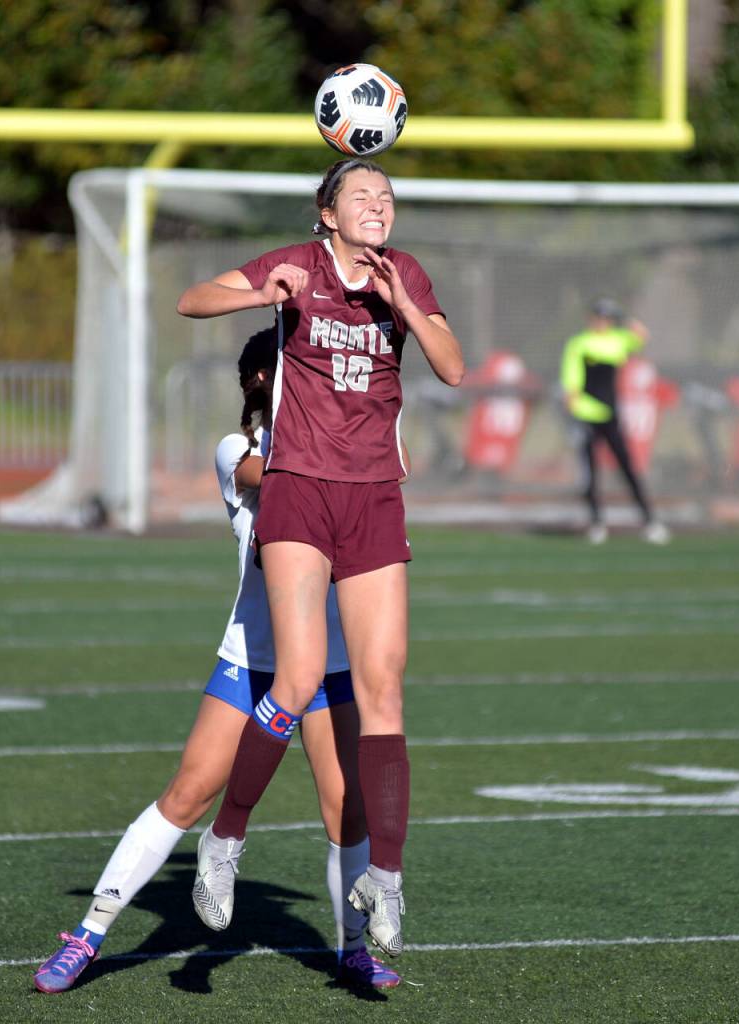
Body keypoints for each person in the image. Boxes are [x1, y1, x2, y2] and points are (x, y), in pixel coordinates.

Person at [34, 327, 400, 994]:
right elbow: (277, 476)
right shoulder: (240, 451)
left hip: (329, 666)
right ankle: (87, 935)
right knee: (187, 794)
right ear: (264, 380)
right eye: (304, 369)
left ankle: (353, 950)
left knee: (346, 810)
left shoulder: (339, 451)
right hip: (253, 661)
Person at [176, 158, 466, 959]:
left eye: (387, 196)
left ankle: (388, 882)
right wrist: (260, 294)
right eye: (361, 197)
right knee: (298, 680)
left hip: (374, 496)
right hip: (301, 490)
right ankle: (225, 842)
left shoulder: (404, 274)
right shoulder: (296, 265)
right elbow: (192, 299)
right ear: (327, 213)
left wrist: (405, 303)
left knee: (384, 689)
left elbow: (452, 365)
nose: (378, 206)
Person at [560, 298, 670, 545]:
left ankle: (649, 520)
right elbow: (571, 384)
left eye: (607, 318)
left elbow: (641, 334)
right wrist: (574, 410)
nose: (602, 322)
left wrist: (623, 316)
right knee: (590, 473)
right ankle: (597, 523)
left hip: (610, 414)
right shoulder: (579, 344)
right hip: (586, 414)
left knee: (628, 468)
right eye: (599, 317)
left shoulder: (617, 340)